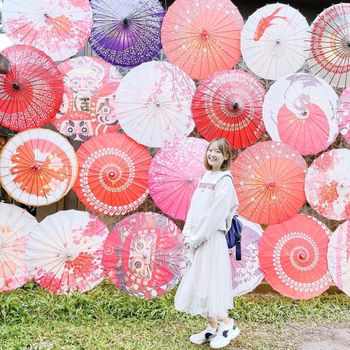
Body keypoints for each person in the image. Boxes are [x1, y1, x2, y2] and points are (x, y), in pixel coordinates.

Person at [174, 138, 240, 349]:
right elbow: (195, 208)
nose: (212, 154)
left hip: (210, 239)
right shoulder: (206, 176)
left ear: (226, 156)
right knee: (199, 283)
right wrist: (188, 233)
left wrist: (197, 237)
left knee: (211, 283)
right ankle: (211, 327)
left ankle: (228, 326)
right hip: (197, 238)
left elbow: (216, 215)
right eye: (210, 150)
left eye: (218, 152)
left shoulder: (225, 181)